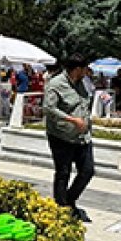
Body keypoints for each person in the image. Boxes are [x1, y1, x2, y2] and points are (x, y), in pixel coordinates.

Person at [43, 55, 97, 222]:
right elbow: (48, 108)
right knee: (63, 172)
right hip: (61, 136)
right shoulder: (56, 84)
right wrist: (72, 120)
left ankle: (69, 199)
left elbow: (86, 102)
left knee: (87, 171)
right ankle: (61, 206)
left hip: (82, 136)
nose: (86, 72)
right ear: (76, 69)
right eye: (84, 69)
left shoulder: (83, 82)